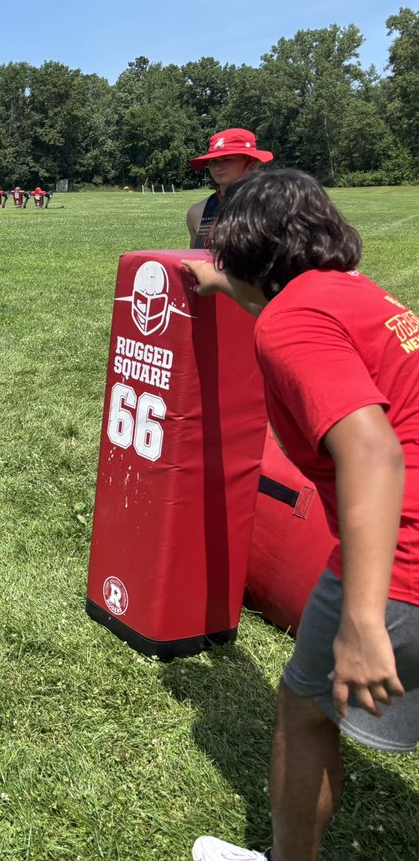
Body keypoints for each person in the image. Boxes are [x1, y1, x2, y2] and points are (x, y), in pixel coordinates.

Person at [184, 169, 419, 861]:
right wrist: (223, 288)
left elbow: (374, 453)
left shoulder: (290, 321)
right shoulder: (361, 295)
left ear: (250, 249)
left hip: (404, 559)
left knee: (304, 712)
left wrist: (364, 618)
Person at [186, 127, 273, 249]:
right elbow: (193, 261)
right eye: (213, 161)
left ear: (251, 161)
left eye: (227, 159)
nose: (218, 167)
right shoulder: (197, 213)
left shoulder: (274, 207)